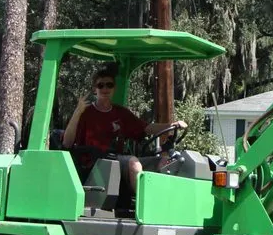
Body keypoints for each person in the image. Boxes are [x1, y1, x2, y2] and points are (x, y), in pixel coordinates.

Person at [61, 66, 187, 196]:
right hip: (94, 162)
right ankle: (143, 204)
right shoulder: (85, 113)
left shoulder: (120, 113)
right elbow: (67, 142)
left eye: (109, 85)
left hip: (117, 159)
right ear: (95, 89)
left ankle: (162, 199)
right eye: (101, 85)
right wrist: (77, 111)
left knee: (164, 161)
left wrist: (171, 125)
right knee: (133, 163)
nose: (105, 89)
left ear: (114, 88)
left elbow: (146, 128)